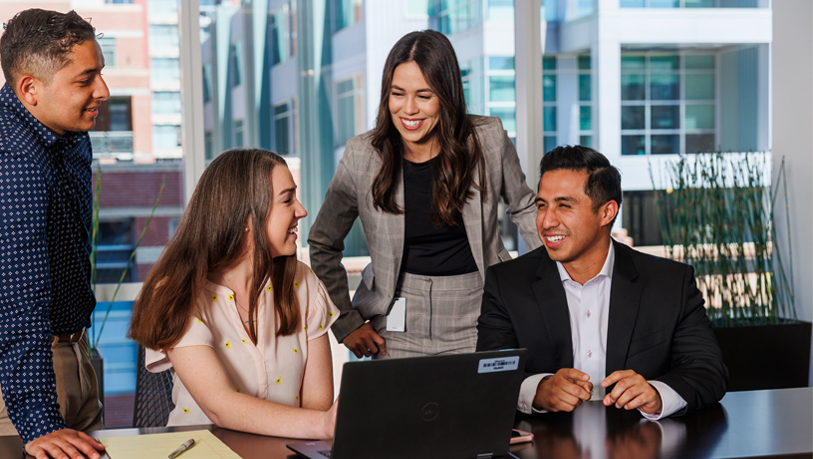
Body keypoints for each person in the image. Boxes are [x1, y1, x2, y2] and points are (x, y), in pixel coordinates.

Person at [0, 9, 109, 459]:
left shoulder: (61, 129)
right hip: (10, 370)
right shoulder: (9, 162)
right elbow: (19, 300)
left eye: (100, 74)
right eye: (85, 80)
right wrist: (37, 418)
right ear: (29, 89)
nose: (103, 92)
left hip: (65, 351)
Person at [309, 30, 540, 359]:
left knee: (483, 409)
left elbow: (526, 208)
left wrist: (551, 285)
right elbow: (322, 244)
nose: (409, 109)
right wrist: (345, 320)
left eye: (424, 95)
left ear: (446, 96)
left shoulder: (488, 139)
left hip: (482, 310)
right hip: (395, 318)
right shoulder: (362, 155)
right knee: (399, 411)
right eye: (398, 94)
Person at [476, 145, 727, 419]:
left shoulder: (669, 283)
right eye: (542, 206)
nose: (546, 221)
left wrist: (656, 394)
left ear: (607, 213)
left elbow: (707, 371)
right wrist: (538, 390)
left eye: (564, 205)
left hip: (639, 446)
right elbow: (489, 375)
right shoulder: (507, 283)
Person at [128, 149, 339, 440]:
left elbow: (317, 407)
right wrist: (322, 424)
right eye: (287, 199)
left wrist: (322, 425)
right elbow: (220, 406)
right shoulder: (178, 292)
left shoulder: (303, 283)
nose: (301, 210)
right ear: (245, 218)